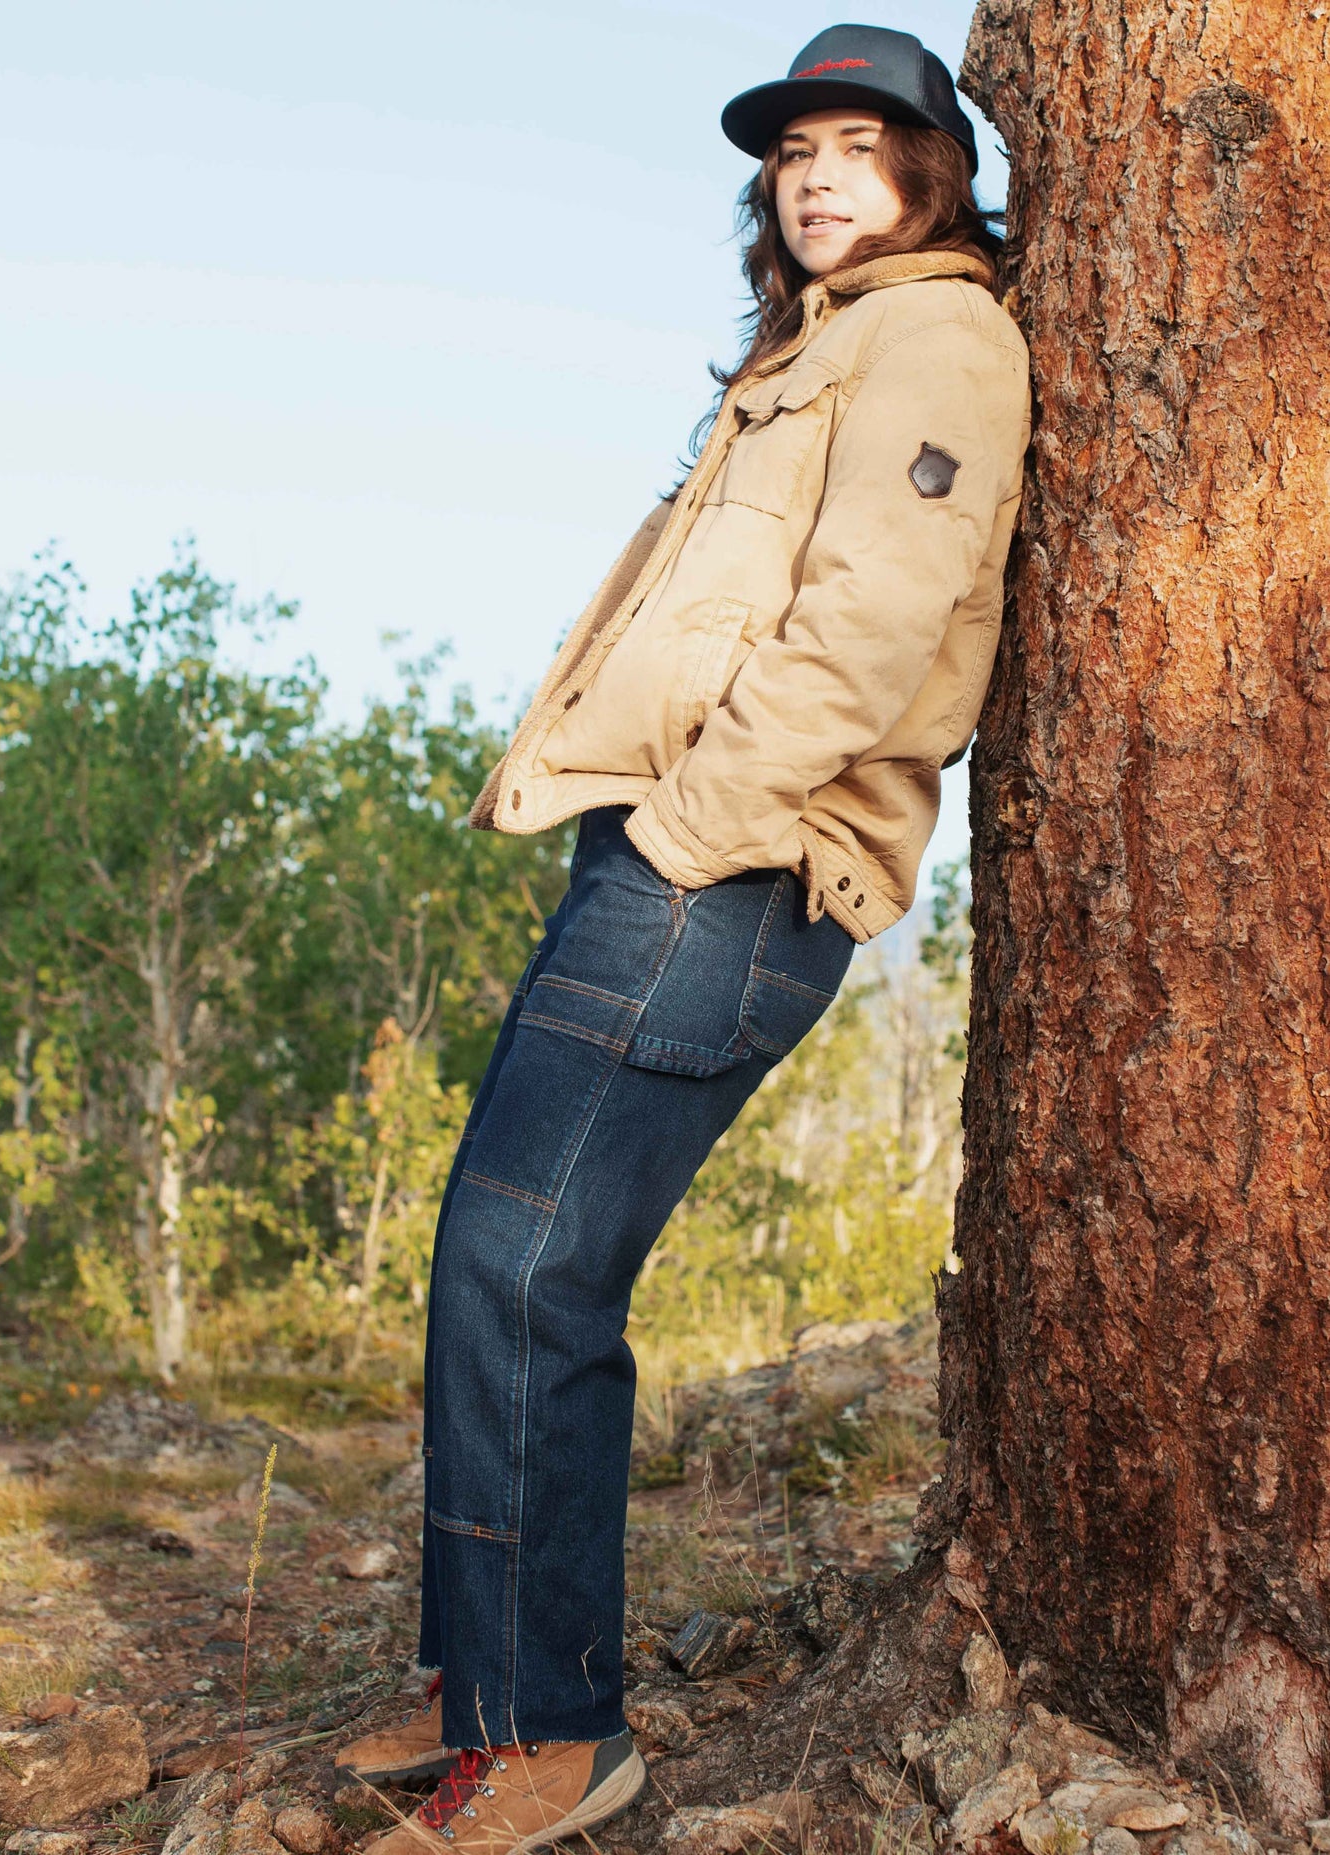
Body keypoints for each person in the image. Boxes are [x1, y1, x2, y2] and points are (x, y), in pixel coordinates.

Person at [337, 21, 1033, 1852]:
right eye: (795, 150)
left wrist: (685, 830)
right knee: (502, 1262)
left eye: (862, 147)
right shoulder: (815, 351)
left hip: (731, 869)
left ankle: (554, 1731)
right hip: (668, 857)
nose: (818, 175)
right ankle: (487, 1671)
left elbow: (872, 627)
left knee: (525, 1270)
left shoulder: (941, 339)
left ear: (932, 175)